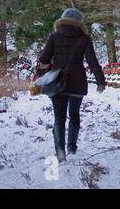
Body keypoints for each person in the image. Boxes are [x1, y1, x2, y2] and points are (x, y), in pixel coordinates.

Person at [38, 8, 106, 162]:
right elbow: (92, 61)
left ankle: (60, 151)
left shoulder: (54, 36)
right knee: (74, 115)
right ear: (80, 22)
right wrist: (100, 81)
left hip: (57, 82)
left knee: (59, 119)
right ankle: (72, 146)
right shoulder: (84, 38)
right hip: (77, 82)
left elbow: (44, 60)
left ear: (62, 20)